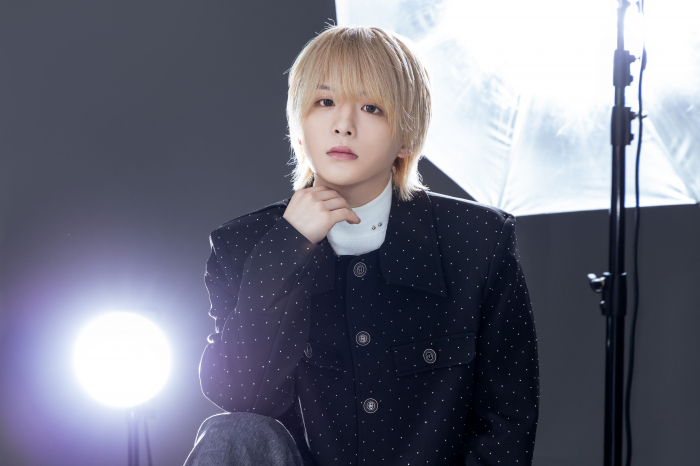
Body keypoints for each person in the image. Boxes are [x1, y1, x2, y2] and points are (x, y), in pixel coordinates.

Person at [183, 25, 539, 466]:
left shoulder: (477, 241)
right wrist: (288, 248)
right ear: (299, 127)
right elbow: (239, 396)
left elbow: (506, 421)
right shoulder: (243, 245)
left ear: (407, 137)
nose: (343, 125)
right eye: (324, 102)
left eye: (371, 107)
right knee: (232, 432)